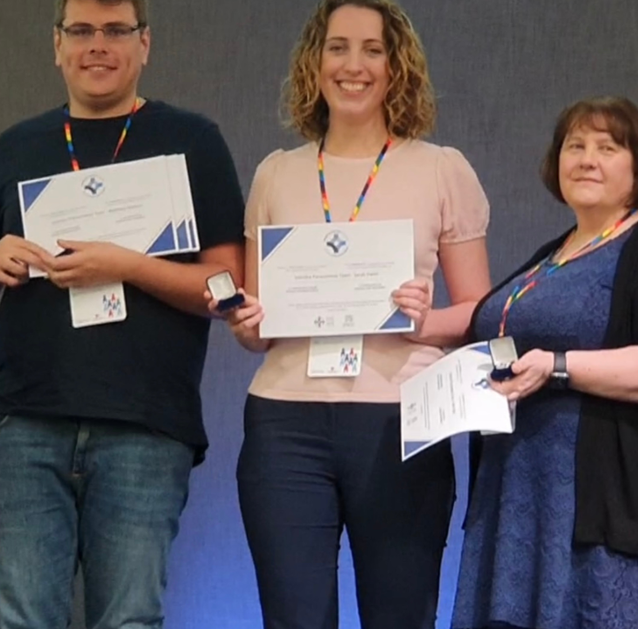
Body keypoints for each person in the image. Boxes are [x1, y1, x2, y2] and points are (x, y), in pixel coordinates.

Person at [0, 0, 245, 626]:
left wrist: (126, 265)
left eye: (116, 31)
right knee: (24, 621)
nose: (98, 46)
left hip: (144, 425)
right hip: (24, 421)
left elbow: (228, 287)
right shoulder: (18, 146)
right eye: (81, 31)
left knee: (130, 620)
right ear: (57, 45)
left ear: (145, 44)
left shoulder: (193, 141)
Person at [214, 1, 492, 626]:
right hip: (285, 425)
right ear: (314, 63)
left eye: (372, 50)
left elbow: (480, 312)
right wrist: (245, 321)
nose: (353, 65)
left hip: (400, 420)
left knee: (400, 614)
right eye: (337, 47)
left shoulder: (441, 170)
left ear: (397, 67)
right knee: (294, 616)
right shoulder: (276, 174)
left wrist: (423, 322)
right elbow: (259, 331)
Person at [451, 96, 638, 629]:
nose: (587, 159)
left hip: (607, 516)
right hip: (520, 501)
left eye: (607, 147)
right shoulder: (551, 256)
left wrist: (558, 366)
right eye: (575, 146)